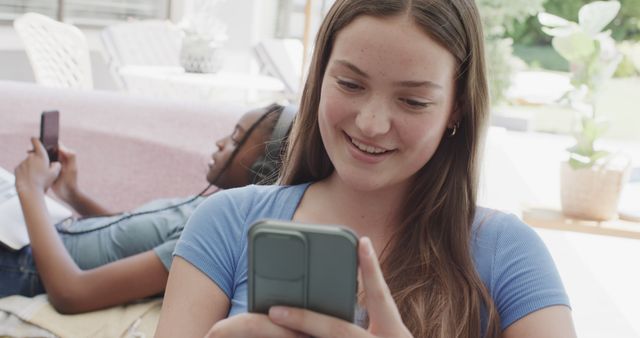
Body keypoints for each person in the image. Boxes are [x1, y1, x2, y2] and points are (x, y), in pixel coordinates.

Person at [156, 0, 576, 337]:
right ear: (320, 78)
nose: (371, 124)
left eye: (413, 101)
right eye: (350, 84)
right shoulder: (224, 224)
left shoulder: (507, 254)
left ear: (456, 110)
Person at [3, 103, 293, 314]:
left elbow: (71, 293)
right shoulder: (210, 205)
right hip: (40, 236)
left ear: (262, 170)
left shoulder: (211, 237)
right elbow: (125, 231)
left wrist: (30, 191)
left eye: (235, 140)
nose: (219, 143)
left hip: (23, 265)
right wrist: (72, 194)